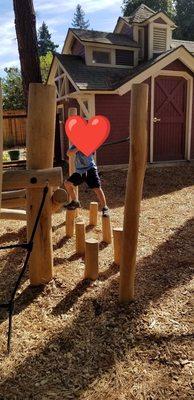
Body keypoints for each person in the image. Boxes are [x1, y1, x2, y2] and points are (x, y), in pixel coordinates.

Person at [64, 144, 109, 217]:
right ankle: (75, 201)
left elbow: (90, 151)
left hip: (90, 169)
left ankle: (105, 208)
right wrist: (78, 147)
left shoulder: (88, 143)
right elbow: (69, 154)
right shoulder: (75, 145)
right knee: (67, 183)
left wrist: (83, 146)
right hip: (80, 172)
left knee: (97, 188)